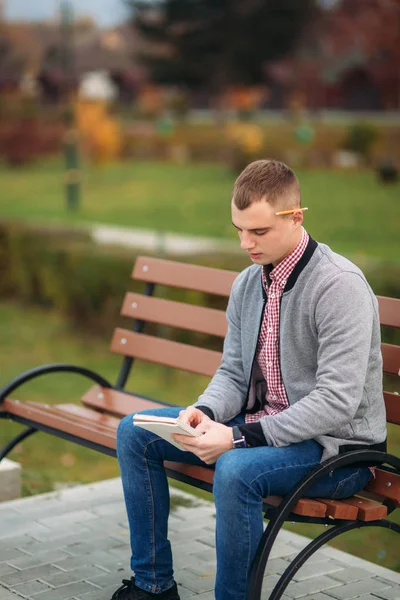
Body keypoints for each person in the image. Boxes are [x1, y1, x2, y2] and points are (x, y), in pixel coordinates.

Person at [113, 159, 387, 600]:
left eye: (258, 232)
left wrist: (239, 438)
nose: (246, 243)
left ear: (295, 217)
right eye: (239, 229)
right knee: (134, 432)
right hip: (264, 428)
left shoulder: (339, 287)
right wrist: (203, 413)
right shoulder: (248, 284)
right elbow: (233, 373)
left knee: (237, 470)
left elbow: (336, 402)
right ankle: (153, 586)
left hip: (336, 450)